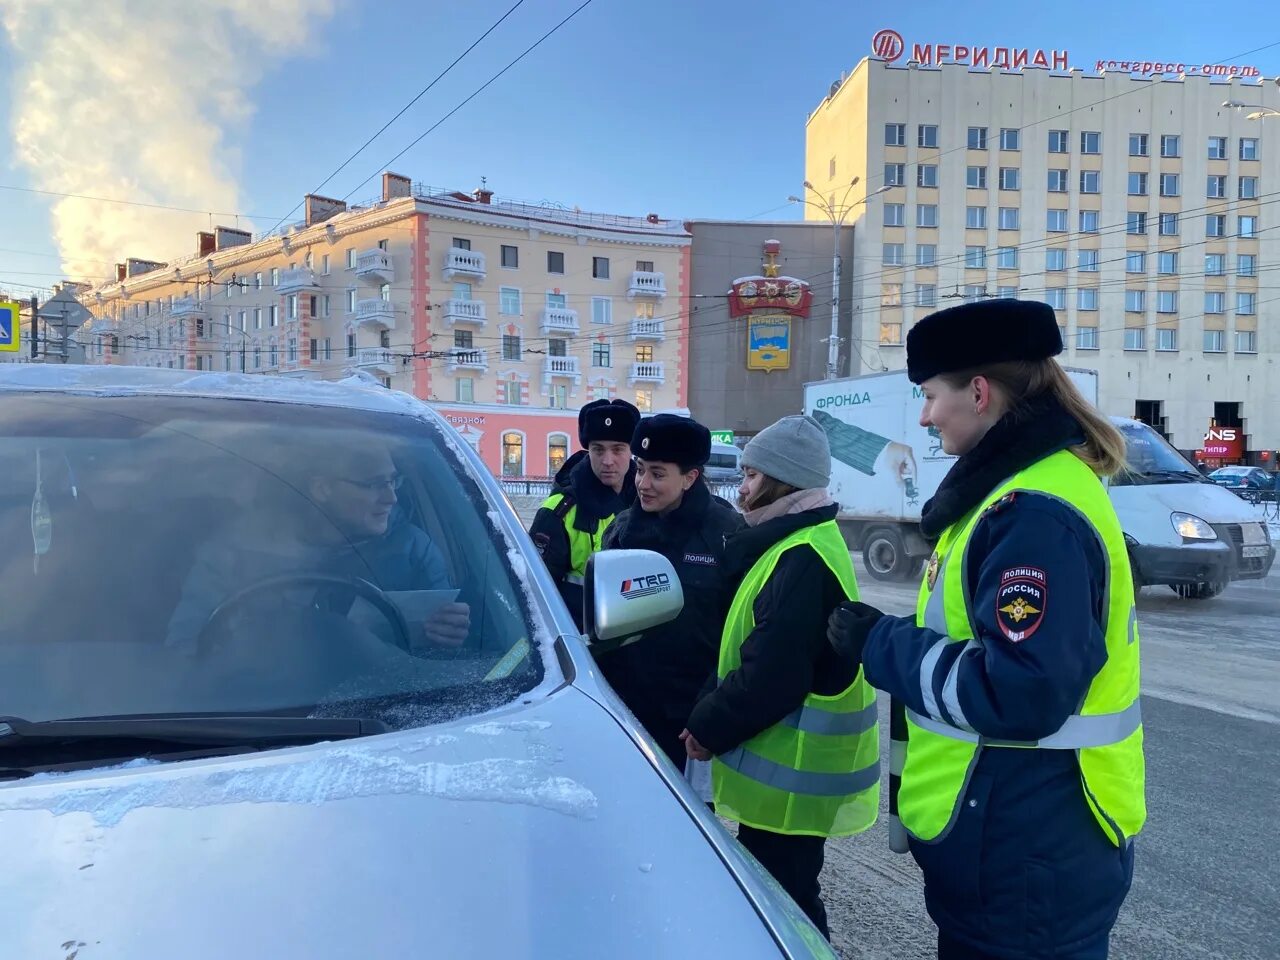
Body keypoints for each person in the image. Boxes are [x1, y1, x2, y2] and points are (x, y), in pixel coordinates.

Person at [826, 300, 1145, 960]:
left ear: (978, 392)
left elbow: (1021, 691)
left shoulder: (1030, 511)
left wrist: (878, 643)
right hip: (1024, 839)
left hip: (1029, 849)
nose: (923, 416)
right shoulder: (1019, 494)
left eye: (929, 395)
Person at [681, 415, 880, 938]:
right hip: (784, 780)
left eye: (750, 476)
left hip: (792, 780)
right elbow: (745, 647)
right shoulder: (794, 542)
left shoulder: (801, 555)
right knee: (782, 894)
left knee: (786, 905)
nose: (741, 489)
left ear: (781, 480)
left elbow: (772, 673)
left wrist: (707, 726)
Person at [168, 437, 468, 650]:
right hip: (256, 711)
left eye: (393, 481)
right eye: (374, 484)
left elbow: (460, 661)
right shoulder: (233, 553)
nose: (391, 497)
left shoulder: (415, 549)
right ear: (321, 488)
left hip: (386, 710)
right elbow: (185, 648)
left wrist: (448, 636)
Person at [596, 414, 744, 770]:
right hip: (627, 710)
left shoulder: (727, 535)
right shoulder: (620, 532)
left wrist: (712, 713)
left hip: (690, 721)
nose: (643, 483)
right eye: (640, 468)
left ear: (690, 477)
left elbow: (739, 636)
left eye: (658, 474)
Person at [529, 398, 639, 628]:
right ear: (587, 450)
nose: (607, 461)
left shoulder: (646, 501)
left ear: (632, 451)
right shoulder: (558, 511)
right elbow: (536, 596)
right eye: (598, 449)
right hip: (580, 643)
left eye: (618, 449)